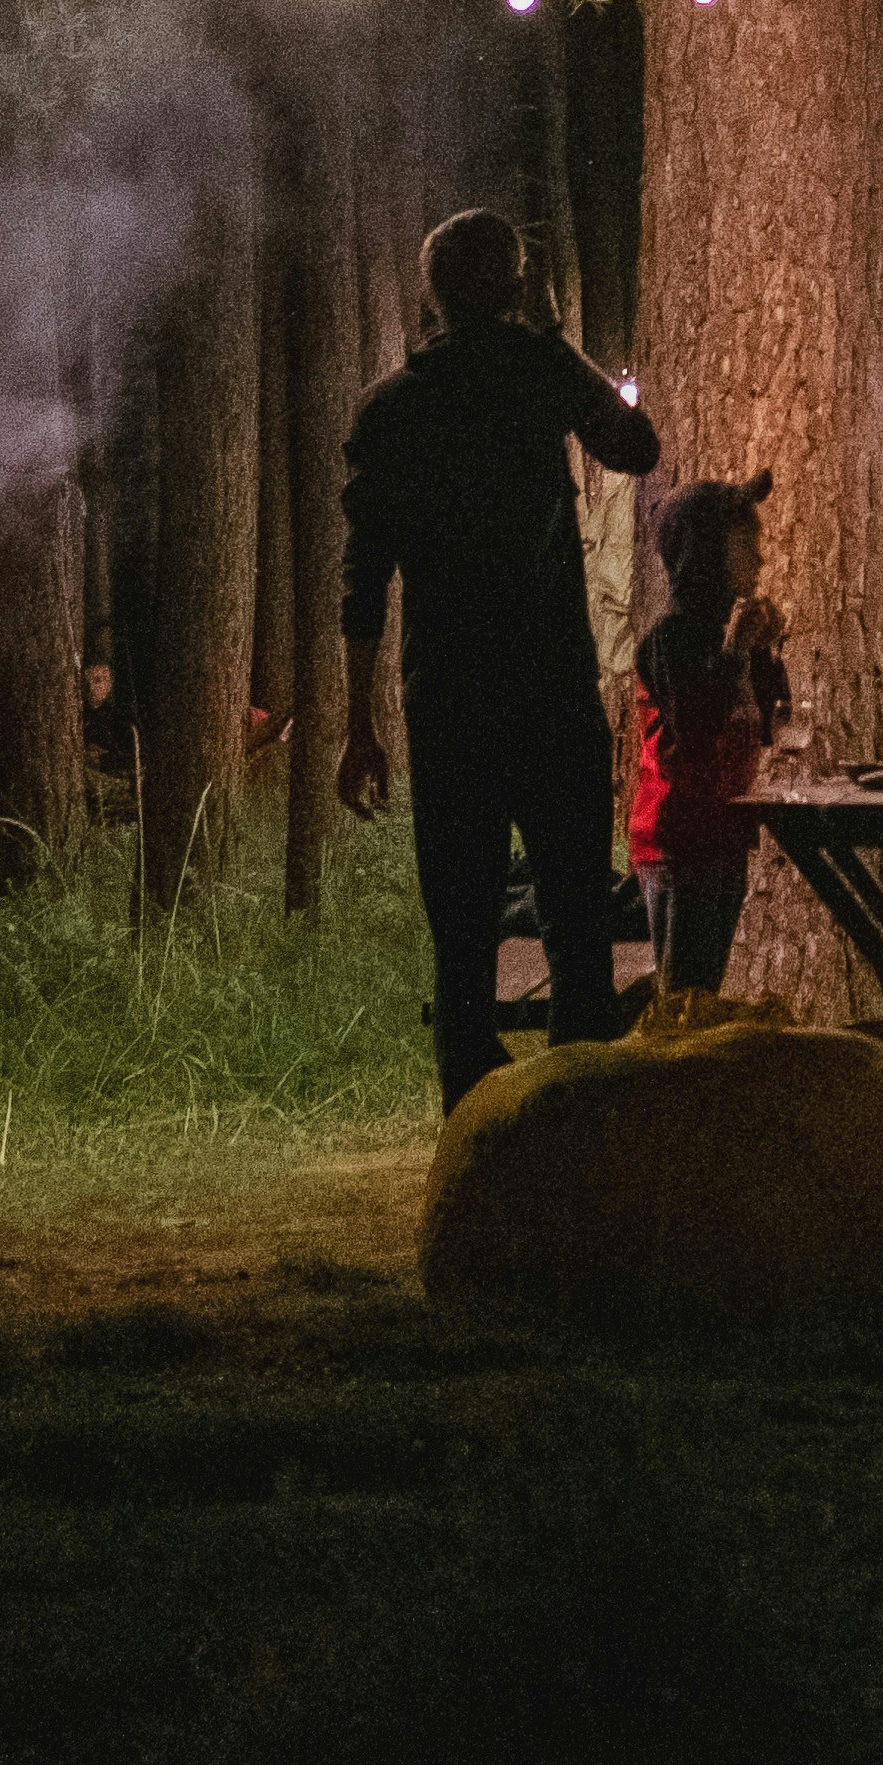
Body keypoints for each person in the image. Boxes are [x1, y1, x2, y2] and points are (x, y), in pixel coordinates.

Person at [334, 207, 659, 1107]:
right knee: (577, 935)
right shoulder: (539, 376)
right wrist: (555, 336)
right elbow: (639, 446)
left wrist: (361, 722)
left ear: (432, 296)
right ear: (518, 285)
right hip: (551, 697)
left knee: (464, 939)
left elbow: (363, 582)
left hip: (448, 706)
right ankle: (582, 1139)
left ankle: (474, 1146)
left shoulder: (392, 409)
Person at [623, 473, 793, 1000]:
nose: (761, 562)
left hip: (724, 837)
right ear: (708, 552)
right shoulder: (670, 638)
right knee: (684, 1002)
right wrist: (737, 653)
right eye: (749, 546)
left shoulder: (725, 636)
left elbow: (766, 727)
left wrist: (766, 651)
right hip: (680, 842)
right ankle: (662, 1081)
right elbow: (696, 734)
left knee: (703, 993)